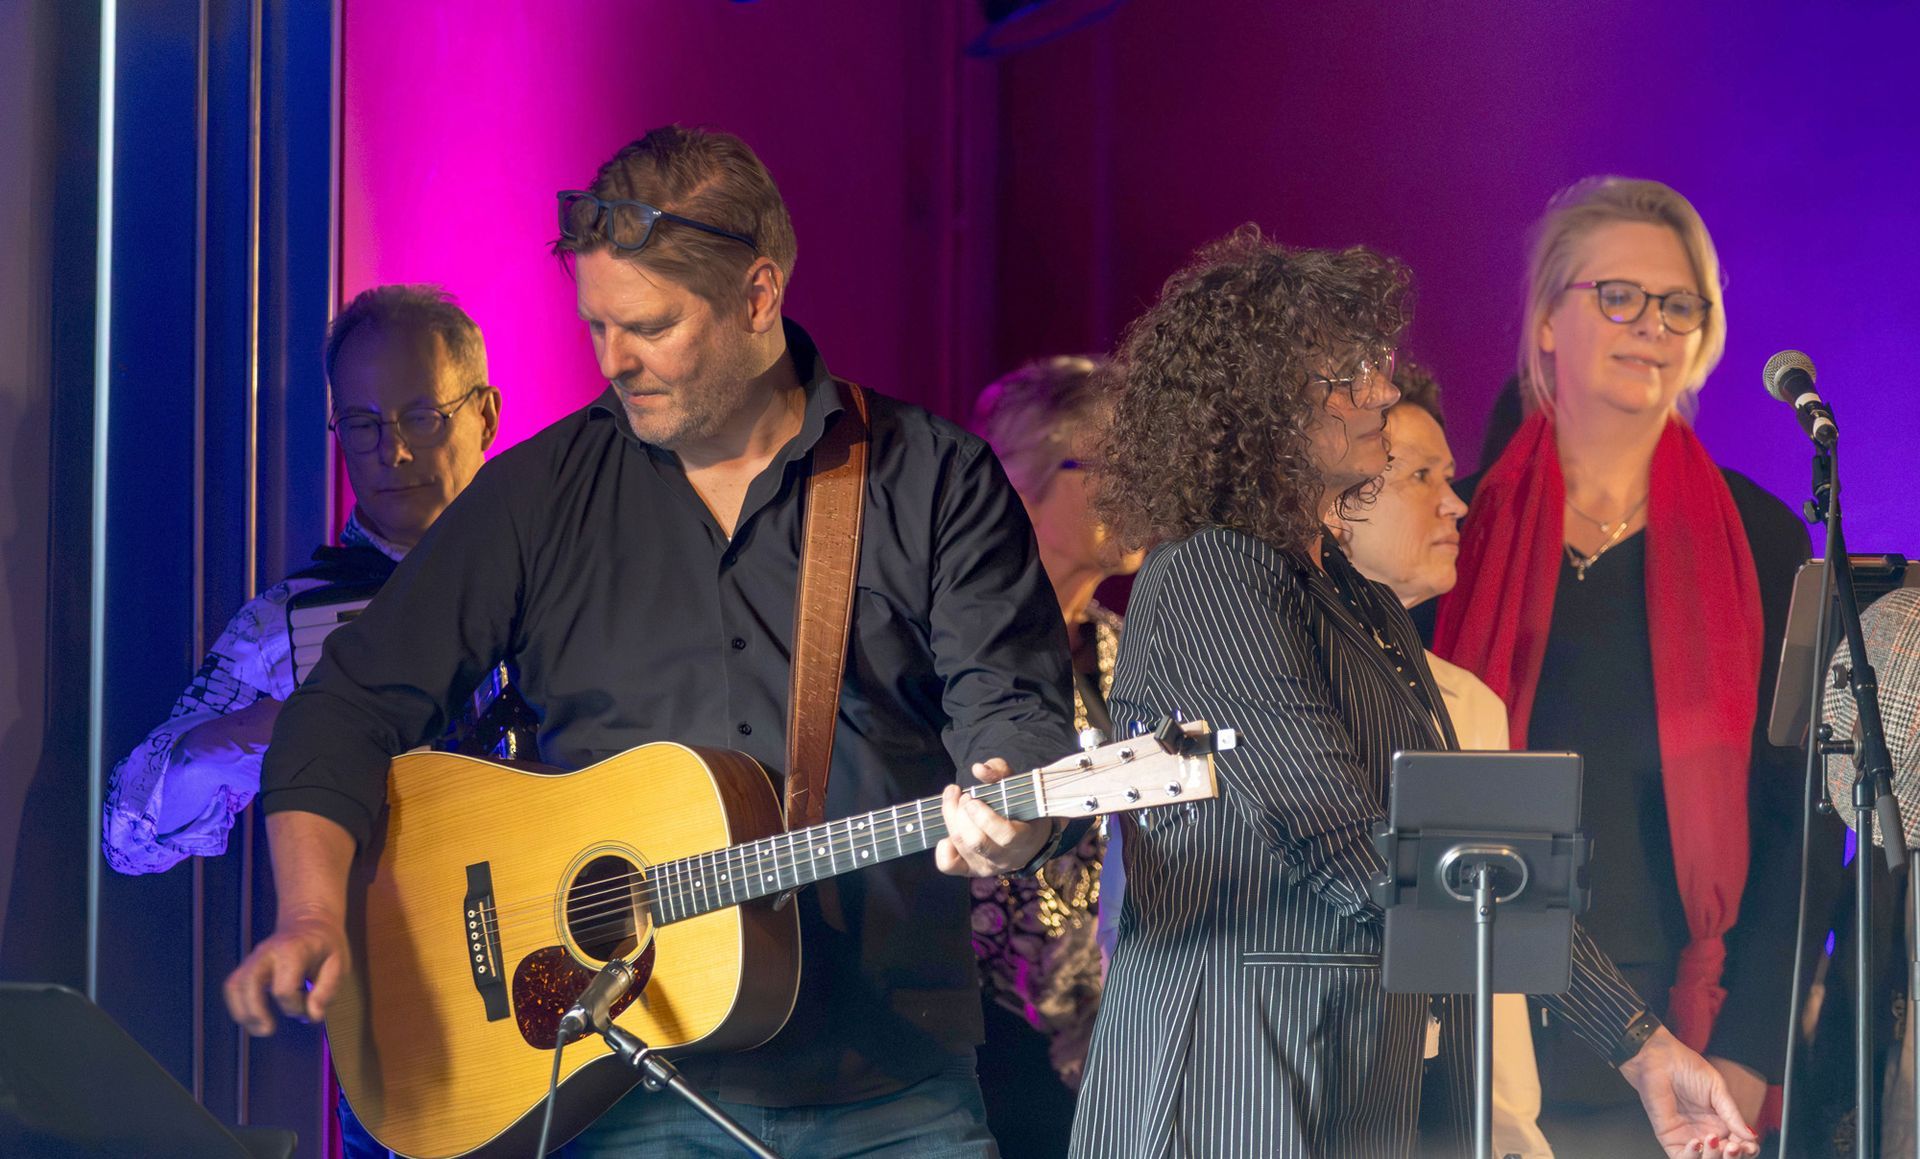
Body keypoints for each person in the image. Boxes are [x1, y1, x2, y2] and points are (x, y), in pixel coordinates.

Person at [223, 125, 1076, 1158]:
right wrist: (311, 915)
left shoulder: (934, 479)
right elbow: (343, 710)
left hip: (889, 1079)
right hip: (619, 1082)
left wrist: (1009, 806)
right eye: (596, 324)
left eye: (651, 325)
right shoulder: (539, 496)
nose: (613, 360)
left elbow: (1015, 715)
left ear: (758, 295)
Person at [1068, 224, 1757, 1159]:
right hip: (1233, 1081)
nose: (1385, 394)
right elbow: (1343, 839)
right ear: (1267, 406)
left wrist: (1644, 1047)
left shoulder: (1358, 601)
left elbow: (1463, 856)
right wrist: (1623, 1032)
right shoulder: (1214, 571)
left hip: (1350, 1079)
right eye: (1352, 373)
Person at [1431, 177, 1827, 1156]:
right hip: (1468, 1031)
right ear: (1546, 320)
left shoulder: (1764, 540)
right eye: (1619, 296)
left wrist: (1748, 1050)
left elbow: (1805, 821)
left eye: (1680, 304)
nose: (1652, 323)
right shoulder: (1447, 534)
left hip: (1682, 1043)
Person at [103, 283, 501, 875]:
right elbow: (128, 841)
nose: (392, 451)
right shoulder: (283, 625)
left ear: (486, 417)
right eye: (362, 424)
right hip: (400, 926)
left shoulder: (561, 565)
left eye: (421, 418)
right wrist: (262, 732)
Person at [1332, 361, 1551, 1158]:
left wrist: (1514, 1133)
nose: (1456, 502)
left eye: (1449, 477)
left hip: (1422, 1108)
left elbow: (1494, 959)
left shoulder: (1471, 706)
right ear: (1336, 501)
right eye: (1421, 476)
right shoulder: (1252, 677)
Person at [967, 356, 1144, 1156]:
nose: (1139, 489)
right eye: (1112, 464)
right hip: (988, 1040)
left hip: (1107, 1037)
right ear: (1022, 478)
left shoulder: (1126, 647)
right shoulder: (963, 649)